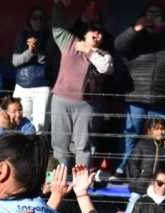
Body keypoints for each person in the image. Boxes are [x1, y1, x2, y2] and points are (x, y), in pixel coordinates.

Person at [112, 2, 165, 179]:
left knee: (161, 137)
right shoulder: (135, 33)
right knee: (130, 135)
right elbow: (118, 47)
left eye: (157, 13)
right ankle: (122, 170)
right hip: (135, 96)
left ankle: (159, 172)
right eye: (150, 12)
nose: (153, 16)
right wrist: (136, 28)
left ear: (164, 17)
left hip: (162, 98)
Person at [50, 0, 113, 170]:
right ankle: (59, 182)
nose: (96, 33)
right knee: (59, 147)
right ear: (85, 32)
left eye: (100, 31)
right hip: (60, 100)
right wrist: (57, 4)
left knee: (83, 146)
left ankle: (80, 185)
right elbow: (57, 28)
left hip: (87, 104)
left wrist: (88, 51)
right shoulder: (70, 42)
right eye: (93, 29)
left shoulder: (104, 55)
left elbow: (106, 68)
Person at [12, 6, 57, 134]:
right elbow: (15, 61)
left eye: (42, 18)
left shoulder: (50, 37)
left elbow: (47, 61)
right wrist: (30, 51)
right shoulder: (22, 36)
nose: (38, 21)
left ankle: (38, 153)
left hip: (42, 86)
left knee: (40, 126)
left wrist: (37, 50)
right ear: (29, 20)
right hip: (22, 85)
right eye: (35, 18)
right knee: (19, 122)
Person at [125, 116, 165, 213]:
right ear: (149, 130)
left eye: (162, 129)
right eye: (156, 129)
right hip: (141, 182)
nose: (160, 132)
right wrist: (138, 176)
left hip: (156, 185)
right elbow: (133, 161)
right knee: (134, 201)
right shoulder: (143, 144)